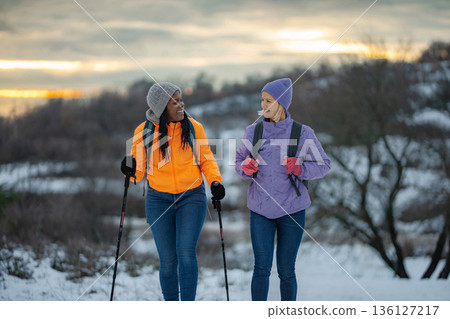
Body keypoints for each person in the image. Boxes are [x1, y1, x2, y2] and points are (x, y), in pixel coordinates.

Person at [122, 82, 225, 301]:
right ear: (161, 108)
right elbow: (138, 171)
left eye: (180, 99)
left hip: (192, 197)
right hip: (158, 199)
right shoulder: (145, 131)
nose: (181, 104)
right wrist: (129, 170)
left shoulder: (193, 127)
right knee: (168, 260)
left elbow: (207, 159)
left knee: (186, 254)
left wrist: (215, 182)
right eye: (174, 102)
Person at [235, 78, 330, 301]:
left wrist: (300, 168)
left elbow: (324, 164)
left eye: (269, 100)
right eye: (262, 100)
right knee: (261, 268)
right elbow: (239, 162)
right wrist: (245, 167)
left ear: (282, 103)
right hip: (260, 209)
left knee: (286, 271)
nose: (264, 105)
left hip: (292, 210)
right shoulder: (253, 131)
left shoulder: (302, 132)